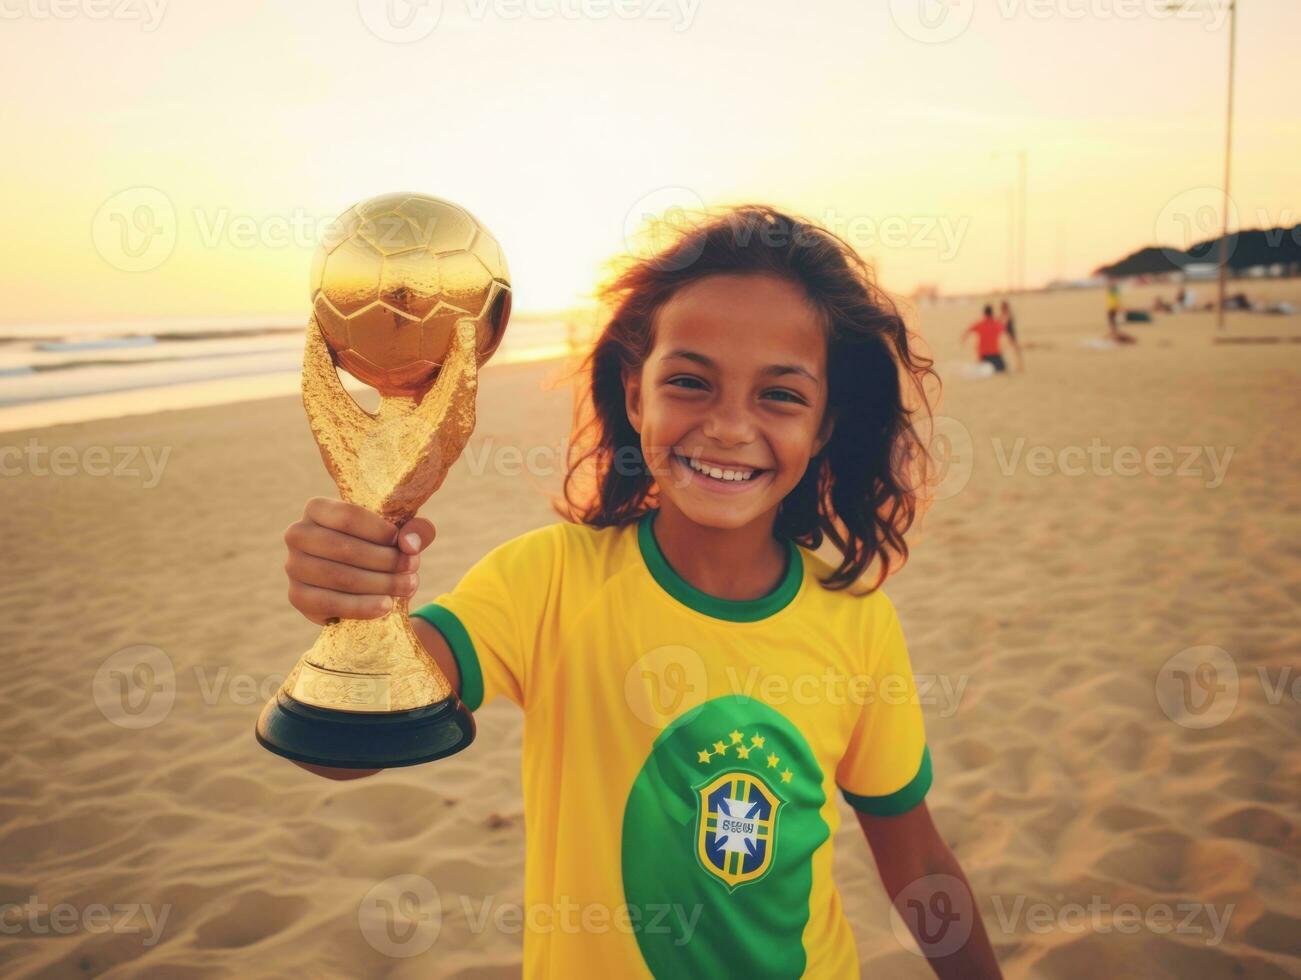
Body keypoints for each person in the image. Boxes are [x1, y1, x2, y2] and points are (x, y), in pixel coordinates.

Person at [282, 206, 1003, 978]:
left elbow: (914, 852)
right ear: (634, 395)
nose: (728, 426)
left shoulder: (857, 622)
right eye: (689, 382)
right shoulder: (547, 582)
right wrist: (355, 613)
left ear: (825, 425)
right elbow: (343, 759)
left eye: (781, 396)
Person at [964, 303, 1016, 373]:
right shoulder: (997, 324)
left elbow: (967, 332)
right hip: (995, 354)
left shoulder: (980, 324)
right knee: (1001, 368)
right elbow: (1007, 333)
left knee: (989, 368)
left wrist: (964, 340)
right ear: (992, 313)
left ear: (984, 313)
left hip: (983, 355)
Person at [998, 299, 1025, 371]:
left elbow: (1003, 324)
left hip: (1009, 335)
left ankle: (1019, 366)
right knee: (1013, 351)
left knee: (1014, 351)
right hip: (1007, 335)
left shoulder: (1007, 314)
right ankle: (1018, 366)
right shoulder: (1005, 314)